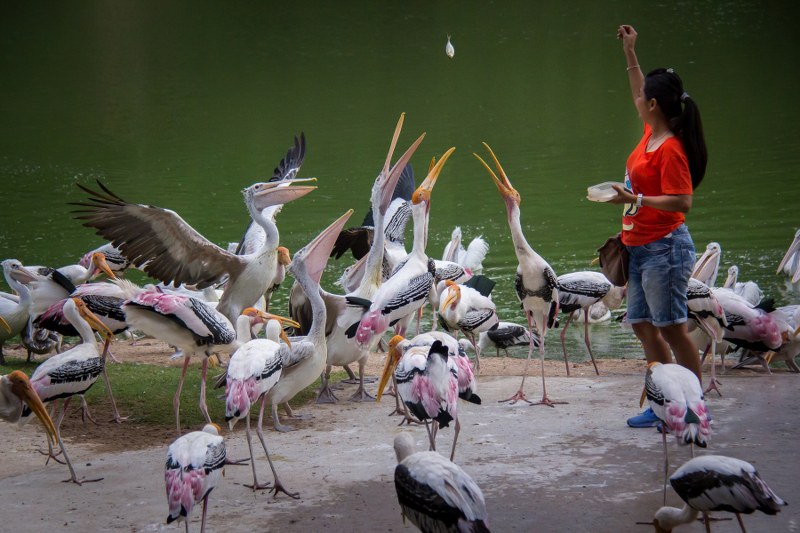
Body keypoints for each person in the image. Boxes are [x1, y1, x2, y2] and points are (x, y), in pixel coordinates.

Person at [607, 25, 708, 428]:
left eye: (642, 99)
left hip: (666, 247)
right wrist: (631, 51)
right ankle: (666, 401)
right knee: (643, 325)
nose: (637, 101)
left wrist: (636, 200)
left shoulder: (670, 149)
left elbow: (683, 201)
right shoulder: (652, 130)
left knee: (672, 328)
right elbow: (638, 87)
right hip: (640, 246)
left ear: (653, 105)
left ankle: (696, 408)